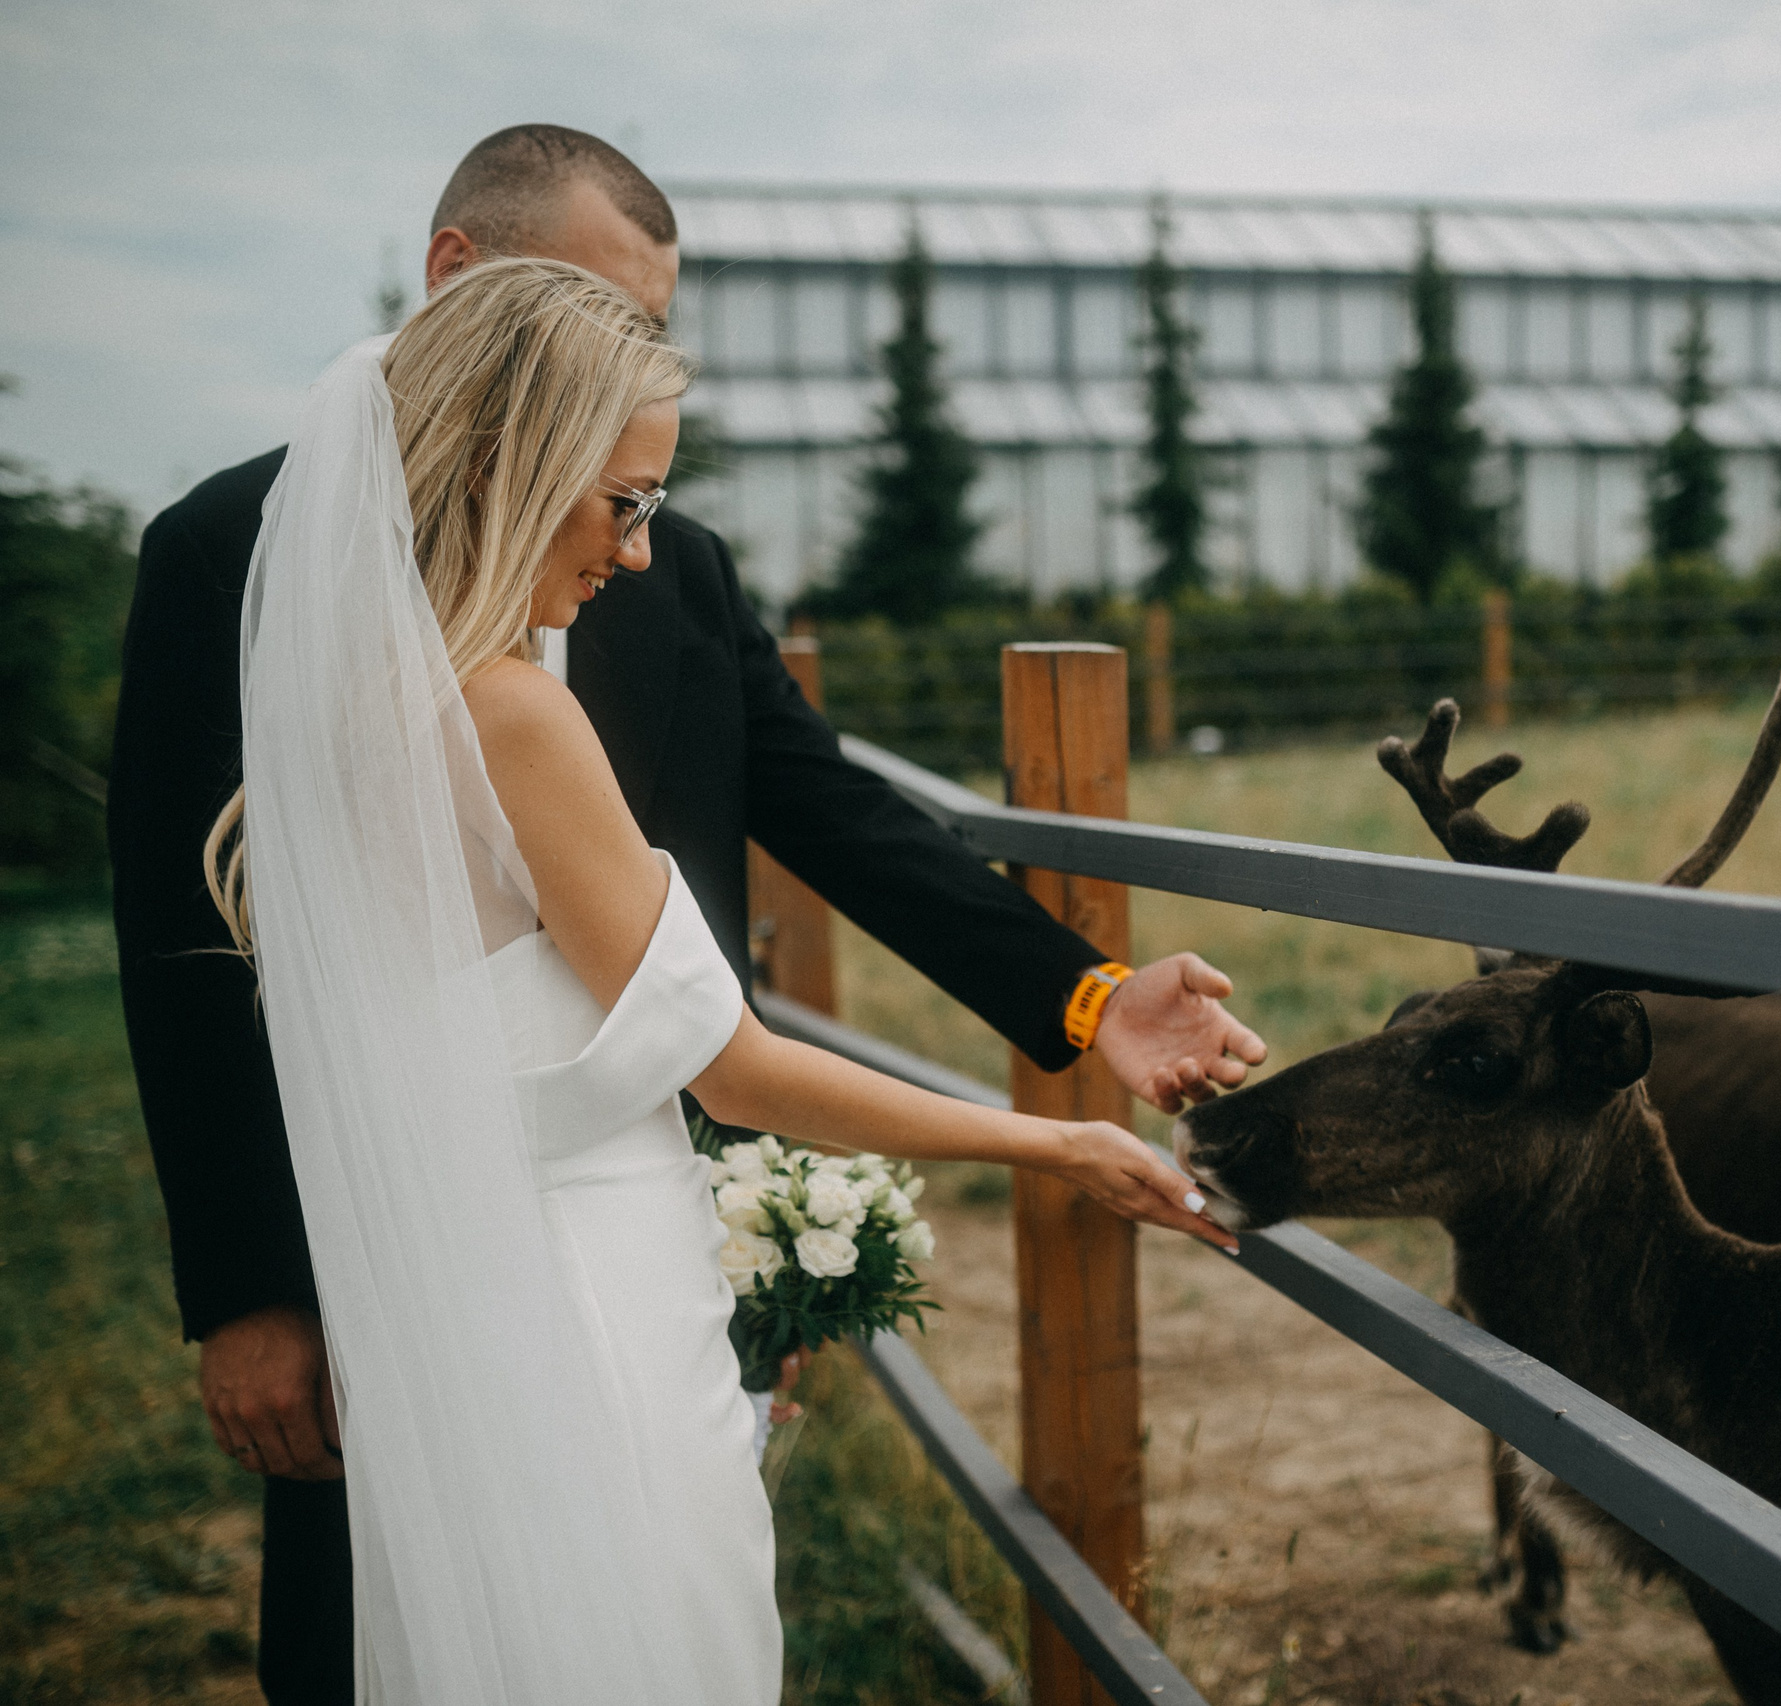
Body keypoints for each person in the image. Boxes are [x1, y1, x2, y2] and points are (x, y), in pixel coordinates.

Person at [108, 126, 1263, 1705]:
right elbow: (186, 964)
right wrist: (251, 1292)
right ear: (471, 296)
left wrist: (1085, 998)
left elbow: (833, 811)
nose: (637, 533)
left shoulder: (661, 575)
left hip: (639, 1240)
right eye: (603, 342)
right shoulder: (237, 562)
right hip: (411, 1257)